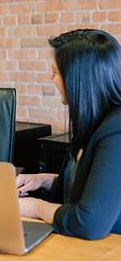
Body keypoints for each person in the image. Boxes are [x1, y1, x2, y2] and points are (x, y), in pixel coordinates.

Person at [17, 29, 121, 239]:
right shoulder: (95, 121)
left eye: (55, 72)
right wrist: (44, 180)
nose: (50, 77)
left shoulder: (116, 131)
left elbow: (89, 221)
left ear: (78, 79)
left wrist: (35, 207)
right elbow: (90, 184)